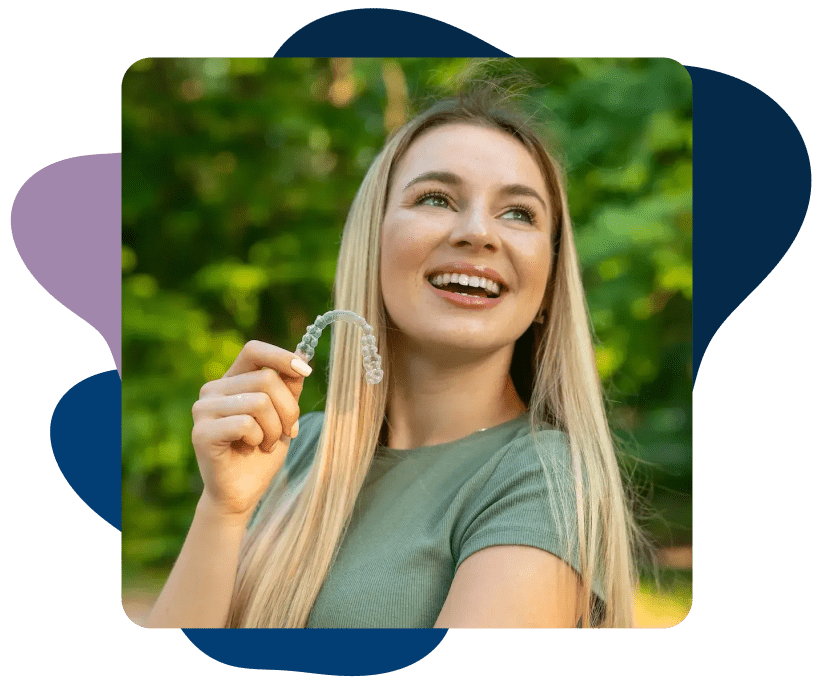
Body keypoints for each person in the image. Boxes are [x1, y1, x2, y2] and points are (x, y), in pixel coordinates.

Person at [145, 79, 645, 630]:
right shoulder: (286, 449)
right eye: (436, 199)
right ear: (372, 243)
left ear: (549, 285)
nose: (478, 232)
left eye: (519, 213)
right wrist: (223, 509)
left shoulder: (543, 478)